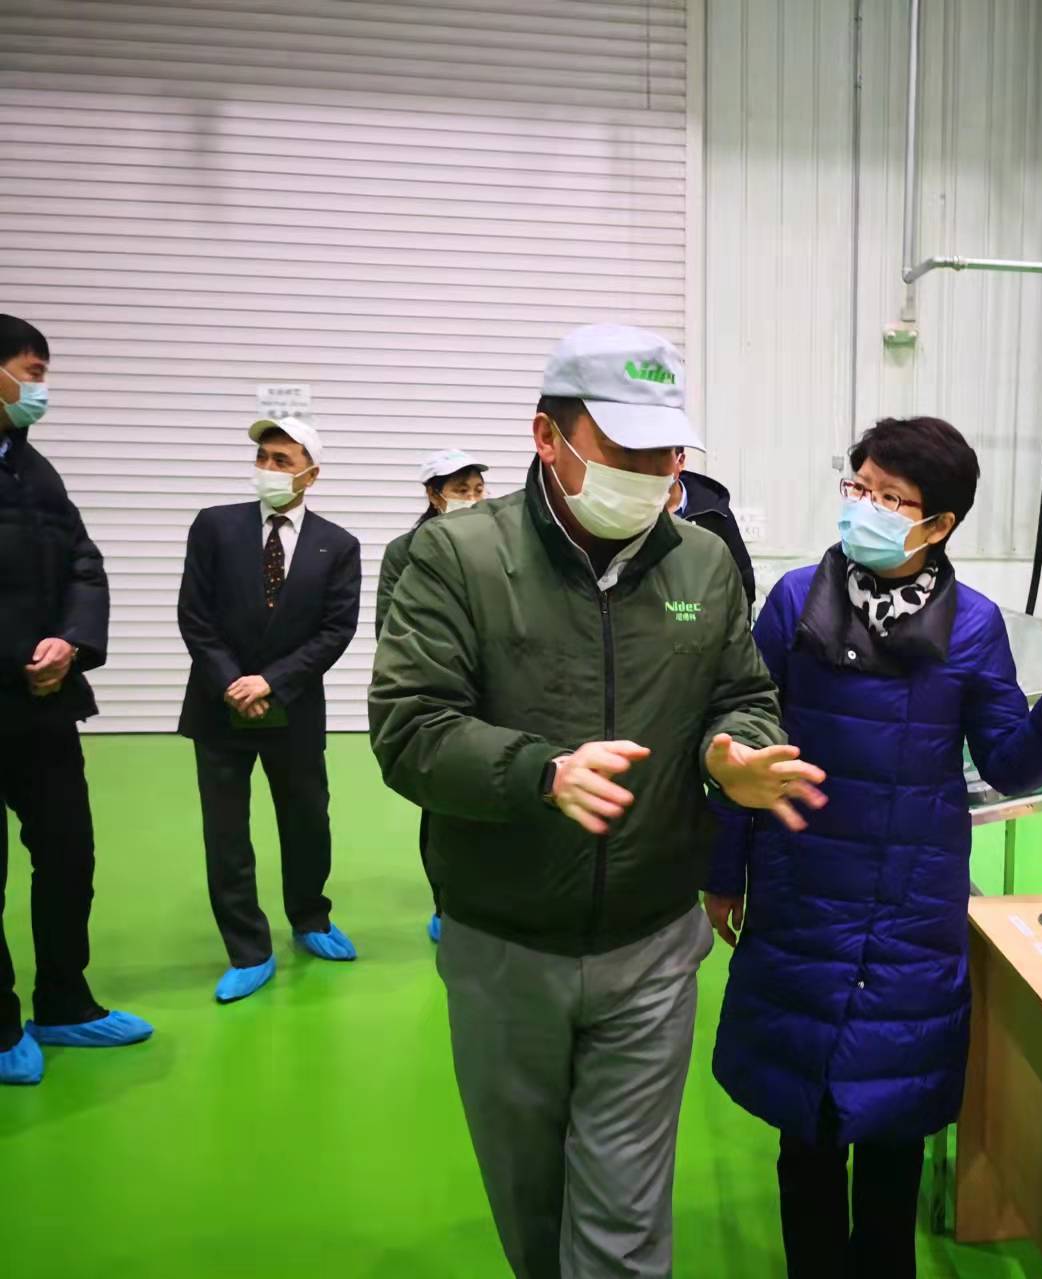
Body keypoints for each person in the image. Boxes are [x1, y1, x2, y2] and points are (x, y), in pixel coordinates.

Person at [369, 324, 825, 1279]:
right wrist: (542, 772)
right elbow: (411, 729)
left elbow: (741, 692)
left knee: (623, 1223)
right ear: (548, 436)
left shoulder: (702, 561)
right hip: (504, 943)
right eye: (626, 450)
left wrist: (733, 753)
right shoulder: (453, 557)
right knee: (532, 1208)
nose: (654, 474)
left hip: (652, 941)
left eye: (668, 453)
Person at [704, 416, 1042, 1278]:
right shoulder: (794, 602)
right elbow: (744, 739)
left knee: (894, 1130)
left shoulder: (972, 626)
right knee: (806, 1133)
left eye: (890, 497)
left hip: (910, 911)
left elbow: (1006, 763)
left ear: (938, 524)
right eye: (858, 486)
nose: (865, 506)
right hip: (801, 896)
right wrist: (723, 871)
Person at [0, 315, 152, 1087]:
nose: (40, 389)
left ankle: (63, 1000)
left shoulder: (38, 472)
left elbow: (84, 565)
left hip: (44, 706)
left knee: (68, 852)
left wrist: (70, 641)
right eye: (31, 372)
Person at [176, 416, 361, 1004]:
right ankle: (247, 949)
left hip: (294, 707)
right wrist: (233, 681)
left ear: (312, 474)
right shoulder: (214, 526)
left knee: (307, 820)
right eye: (263, 457)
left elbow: (336, 630)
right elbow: (194, 615)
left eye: (283, 460)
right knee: (226, 832)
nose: (269, 469)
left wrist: (273, 682)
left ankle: (311, 917)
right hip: (218, 704)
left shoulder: (338, 545)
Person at [374, 447, 490, 944]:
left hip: (495, 694)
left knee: (494, 795)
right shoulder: (406, 552)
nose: (472, 498)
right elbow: (390, 628)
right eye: (460, 490)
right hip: (444, 696)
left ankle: (489, 897)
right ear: (433, 495)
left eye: (478, 490)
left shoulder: (499, 544)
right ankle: (446, 904)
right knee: (442, 804)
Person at [668, 449, 756, 611]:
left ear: (680, 461)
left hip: (705, 621)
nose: (650, 466)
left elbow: (743, 582)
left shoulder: (714, 513)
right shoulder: (630, 512)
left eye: (661, 455)